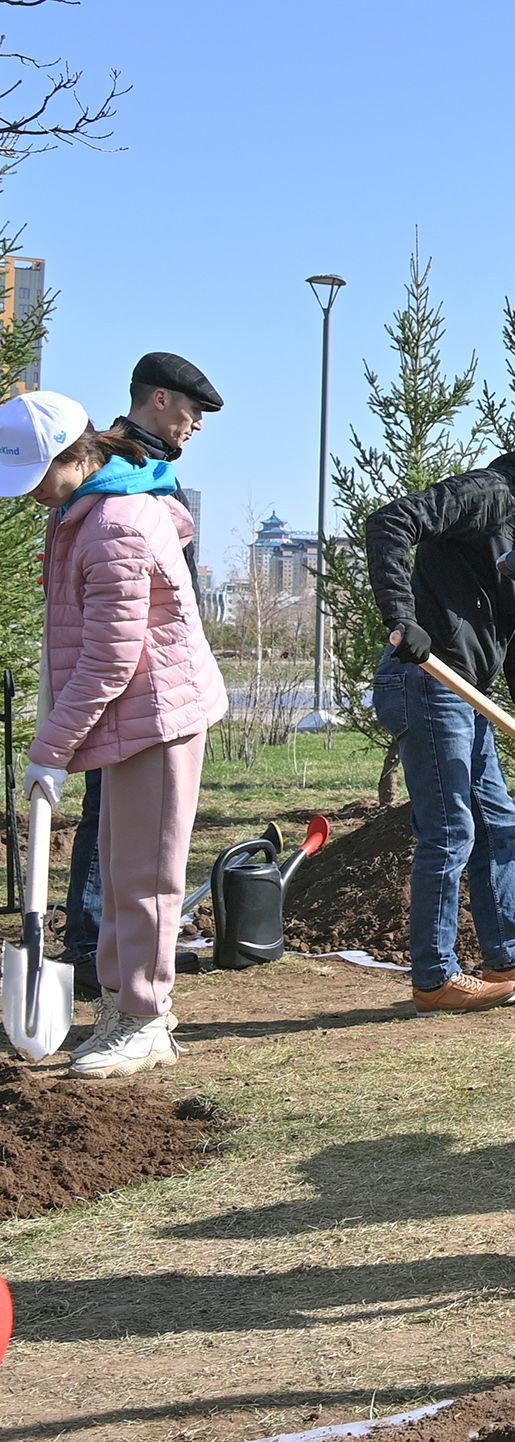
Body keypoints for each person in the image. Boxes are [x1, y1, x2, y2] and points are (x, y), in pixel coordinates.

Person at [6, 392, 226, 1078]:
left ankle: (146, 1019)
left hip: (158, 716)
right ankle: (116, 1007)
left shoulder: (116, 525)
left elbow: (110, 657)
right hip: (122, 714)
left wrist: (51, 749)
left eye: (40, 476)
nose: (33, 495)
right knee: (116, 862)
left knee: (146, 878)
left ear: (78, 455)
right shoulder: (81, 511)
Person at [364, 422, 515, 1013]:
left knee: (499, 825)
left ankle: (508, 957)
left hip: (469, 692)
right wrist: (401, 616)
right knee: (450, 829)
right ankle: (434, 977)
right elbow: (391, 520)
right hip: (427, 675)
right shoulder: (489, 494)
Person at [61, 352, 221, 1000]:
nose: (197, 425)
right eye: (192, 411)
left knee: (121, 832)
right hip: (136, 682)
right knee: (121, 833)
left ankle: (100, 958)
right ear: (158, 400)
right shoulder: (125, 474)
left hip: (143, 677)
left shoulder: (135, 468)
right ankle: (105, 964)